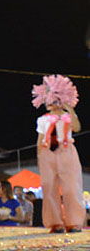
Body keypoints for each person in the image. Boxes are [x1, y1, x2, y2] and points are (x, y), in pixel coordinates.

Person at [32, 75, 84, 233]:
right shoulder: (43, 119)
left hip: (66, 150)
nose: (49, 103)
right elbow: (40, 140)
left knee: (71, 188)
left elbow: (77, 128)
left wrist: (70, 109)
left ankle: (74, 222)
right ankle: (55, 223)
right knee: (49, 188)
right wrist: (40, 157)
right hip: (48, 152)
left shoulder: (68, 117)